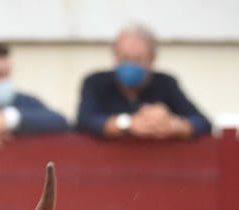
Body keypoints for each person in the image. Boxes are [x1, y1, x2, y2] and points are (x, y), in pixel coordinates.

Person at [76, 23, 211, 140]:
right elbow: (84, 122)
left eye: (138, 59)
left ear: (152, 59)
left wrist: (173, 124)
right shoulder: (95, 82)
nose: (131, 64)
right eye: (125, 58)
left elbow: (203, 123)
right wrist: (128, 123)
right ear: (115, 57)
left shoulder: (166, 83)